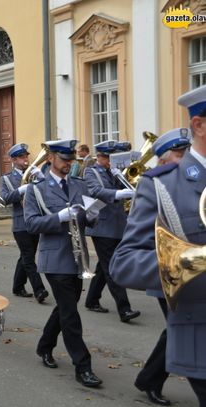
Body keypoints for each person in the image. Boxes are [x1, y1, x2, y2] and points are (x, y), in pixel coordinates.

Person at [110, 85, 206, 406]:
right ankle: (150, 379)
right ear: (200, 125)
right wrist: (193, 260)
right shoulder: (162, 185)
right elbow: (123, 263)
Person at [112, 129, 190, 406]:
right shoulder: (157, 188)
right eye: (181, 154)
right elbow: (135, 250)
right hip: (169, 276)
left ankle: (148, 378)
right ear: (165, 160)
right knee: (178, 331)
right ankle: (150, 379)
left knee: (178, 331)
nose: (187, 159)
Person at [23, 139, 102, 388]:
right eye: (64, 159)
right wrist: (58, 217)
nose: (69, 164)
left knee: (66, 307)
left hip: (78, 258)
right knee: (70, 313)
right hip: (54, 259)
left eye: (71, 160)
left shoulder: (79, 185)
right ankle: (83, 366)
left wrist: (93, 216)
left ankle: (44, 345)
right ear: (51, 159)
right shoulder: (37, 189)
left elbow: (89, 220)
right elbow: (31, 224)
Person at [82, 141, 141, 322]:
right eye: (108, 157)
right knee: (111, 268)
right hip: (102, 226)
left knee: (103, 267)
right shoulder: (91, 171)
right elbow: (95, 190)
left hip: (118, 225)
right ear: (99, 157)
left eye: (113, 158)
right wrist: (118, 194)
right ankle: (124, 309)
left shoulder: (115, 172)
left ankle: (91, 300)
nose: (110, 161)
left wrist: (123, 177)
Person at [0, 143, 49, 302]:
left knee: (26, 255)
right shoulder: (6, 178)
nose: (26, 159)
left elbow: (48, 195)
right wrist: (21, 189)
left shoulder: (35, 174)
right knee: (29, 258)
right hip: (21, 224)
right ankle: (39, 290)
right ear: (14, 160)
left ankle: (17, 286)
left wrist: (42, 179)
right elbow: (5, 199)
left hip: (35, 221)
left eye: (26, 156)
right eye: (21, 157)